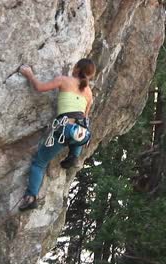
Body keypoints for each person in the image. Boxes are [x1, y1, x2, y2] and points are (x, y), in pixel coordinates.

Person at [18, 58, 96, 211]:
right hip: (82, 134)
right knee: (78, 135)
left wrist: (29, 74)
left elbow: (40, 87)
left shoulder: (63, 80)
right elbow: (84, 118)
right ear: (90, 75)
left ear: (75, 68)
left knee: (39, 163)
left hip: (64, 129)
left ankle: (31, 197)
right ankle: (74, 155)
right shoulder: (89, 93)